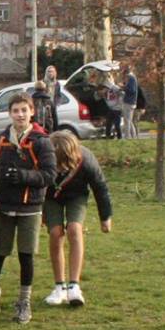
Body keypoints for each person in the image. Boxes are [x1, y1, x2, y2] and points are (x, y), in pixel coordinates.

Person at [0, 90, 57, 323]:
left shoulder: (42, 140)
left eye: (24, 110)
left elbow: (49, 175)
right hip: (5, 205)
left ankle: (24, 300)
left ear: (32, 112)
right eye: (15, 110)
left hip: (30, 206)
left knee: (25, 255)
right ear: (9, 113)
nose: (20, 115)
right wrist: (2, 175)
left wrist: (23, 176)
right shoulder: (0, 140)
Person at [43, 129, 112, 307]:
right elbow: (37, 184)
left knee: (74, 229)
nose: (59, 168)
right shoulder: (43, 157)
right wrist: (40, 213)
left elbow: (100, 187)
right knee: (56, 233)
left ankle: (74, 286)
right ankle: (59, 287)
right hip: (51, 199)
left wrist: (105, 217)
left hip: (77, 196)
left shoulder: (87, 160)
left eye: (62, 163)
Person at [121, 67, 143, 138]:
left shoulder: (131, 78)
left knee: (127, 121)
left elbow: (131, 90)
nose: (124, 77)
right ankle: (133, 136)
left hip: (129, 102)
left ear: (126, 73)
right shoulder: (132, 78)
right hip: (131, 102)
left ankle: (127, 136)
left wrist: (123, 87)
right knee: (129, 121)